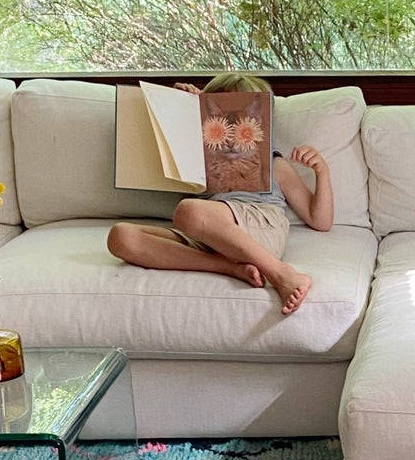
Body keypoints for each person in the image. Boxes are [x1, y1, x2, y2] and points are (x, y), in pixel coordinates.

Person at [106, 74, 332, 315]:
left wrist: (322, 172)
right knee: (121, 236)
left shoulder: (274, 164)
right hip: (209, 238)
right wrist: (179, 105)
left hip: (257, 228)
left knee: (189, 211)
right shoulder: (196, 159)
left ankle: (279, 272)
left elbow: (320, 220)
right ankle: (228, 267)